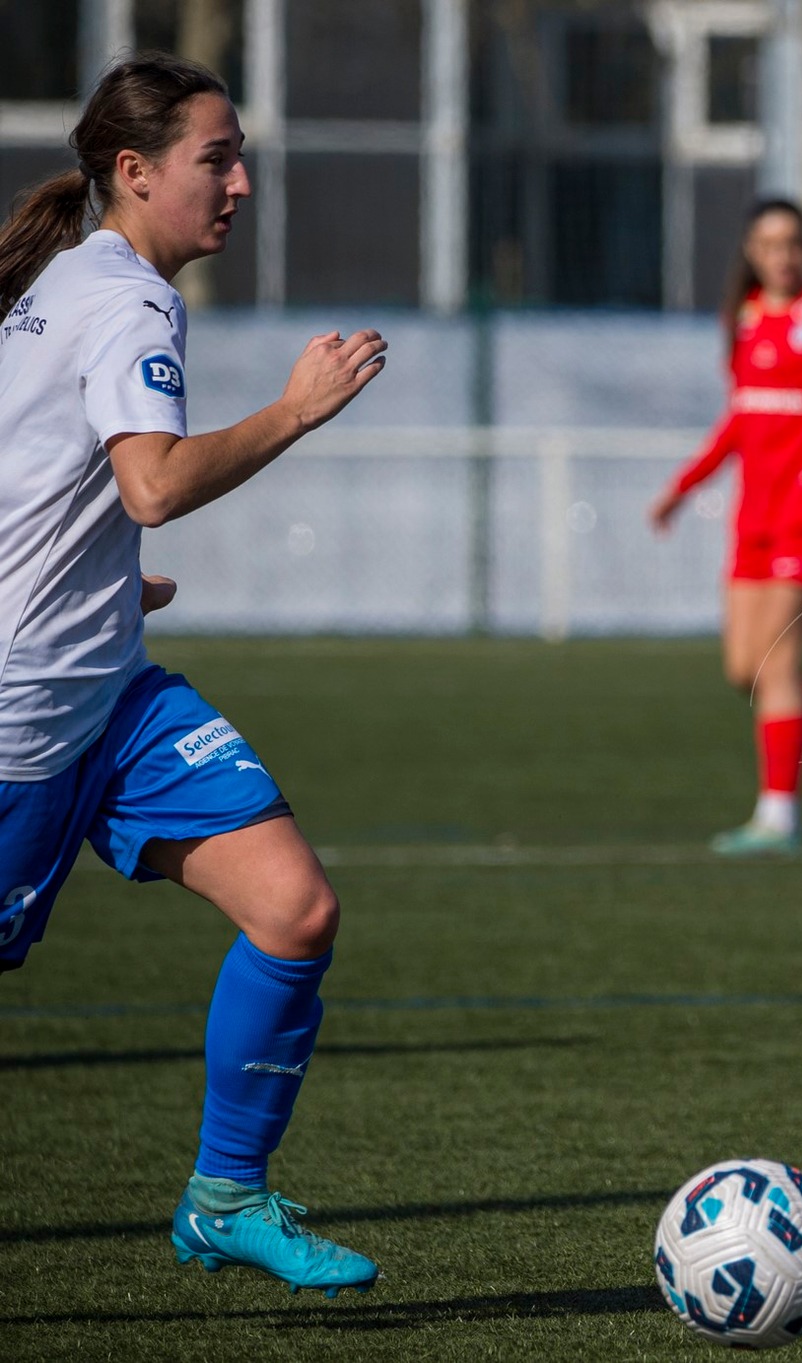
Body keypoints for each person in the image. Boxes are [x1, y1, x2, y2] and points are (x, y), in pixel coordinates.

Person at [0, 54, 387, 1294]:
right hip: (23, 717)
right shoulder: (123, 301)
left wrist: (100, 588)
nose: (241, 184)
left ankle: (226, 1197)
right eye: (216, 160)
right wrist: (295, 409)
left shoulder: (71, 282)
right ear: (134, 171)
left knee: (294, 908)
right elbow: (153, 486)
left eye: (239, 158)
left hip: (108, 690)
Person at [649, 200, 802, 855]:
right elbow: (740, 418)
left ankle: (779, 817)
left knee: (778, 663)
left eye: (793, 242)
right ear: (751, 251)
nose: (783, 255)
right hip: (755, 515)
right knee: (744, 668)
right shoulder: (745, 316)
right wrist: (683, 487)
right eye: (769, 243)